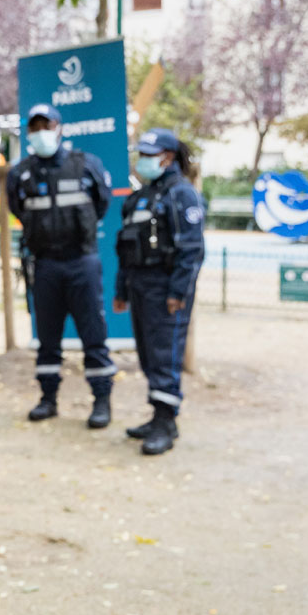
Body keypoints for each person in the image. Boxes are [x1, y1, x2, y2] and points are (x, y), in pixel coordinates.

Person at [6, 104, 116, 429]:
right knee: (48, 337)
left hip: (82, 261)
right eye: (35, 126)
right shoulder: (21, 173)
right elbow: (18, 209)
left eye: (47, 125)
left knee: (93, 334)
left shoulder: (85, 165)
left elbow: (102, 202)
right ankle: (48, 399)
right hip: (45, 265)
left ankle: (101, 401)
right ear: (29, 132)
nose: (41, 132)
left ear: (59, 127)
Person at [113, 128, 206, 455]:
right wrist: (121, 288)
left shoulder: (181, 194)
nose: (143, 160)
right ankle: (158, 416)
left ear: (168, 157)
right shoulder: (141, 197)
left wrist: (178, 293)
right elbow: (125, 247)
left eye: (150, 154)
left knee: (165, 353)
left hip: (166, 288)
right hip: (139, 286)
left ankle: (166, 422)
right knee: (148, 353)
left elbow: (191, 250)